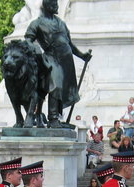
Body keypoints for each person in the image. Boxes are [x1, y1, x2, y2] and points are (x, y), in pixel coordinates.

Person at [25, 0, 92, 128]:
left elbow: (70, 45)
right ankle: (53, 118)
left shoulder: (61, 23)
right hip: (51, 58)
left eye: (56, 3)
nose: (56, 5)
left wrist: (82, 56)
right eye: (53, 3)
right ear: (46, 5)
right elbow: (28, 39)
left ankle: (56, 118)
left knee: (65, 90)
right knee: (56, 86)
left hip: (66, 61)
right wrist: (35, 49)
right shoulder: (37, 23)